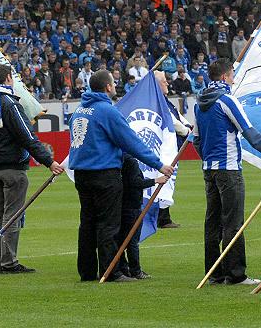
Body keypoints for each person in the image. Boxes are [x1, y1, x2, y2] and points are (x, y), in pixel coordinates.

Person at [193, 58, 261, 285]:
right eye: (231, 75)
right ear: (224, 77)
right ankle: (236, 274)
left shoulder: (198, 103)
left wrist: (209, 159)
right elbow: (251, 135)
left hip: (209, 170)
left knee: (212, 222)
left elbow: (196, 141)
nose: (234, 79)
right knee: (233, 222)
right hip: (228, 169)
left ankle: (213, 273)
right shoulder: (227, 101)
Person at [68, 69, 174, 282]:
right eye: (113, 83)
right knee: (109, 224)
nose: (115, 86)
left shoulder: (80, 110)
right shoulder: (107, 111)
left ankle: (87, 272)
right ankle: (111, 271)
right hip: (104, 174)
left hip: (82, 174)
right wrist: (158, 164)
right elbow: (131, 142)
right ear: (107, 87)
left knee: (87, 224)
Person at [0, 64, 64, 274]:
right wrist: (49, 161)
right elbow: (27, 136)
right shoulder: (9, 104)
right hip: (13, 168)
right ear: (7, 78)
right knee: (11, 215)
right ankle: (9, 262)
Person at [116, 154, 169, 279]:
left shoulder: (118, 159)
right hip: (132, 205)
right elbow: (135, 182)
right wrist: (155, 180)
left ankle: (123, 268)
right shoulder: (131, 162)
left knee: (121, 239)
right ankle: (135, 270)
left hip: (121, 204)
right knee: (132, 240)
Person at [154, 70, 191, 228]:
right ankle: (162, 217)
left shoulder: (162, 100)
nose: (167, 83)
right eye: (163, 81)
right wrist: (187, 131)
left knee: (167, 179)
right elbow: (172, 121)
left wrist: (187, 125)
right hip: (164, 147)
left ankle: (162, 215)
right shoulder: (158, 101)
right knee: (166, 178)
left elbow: (177, 116)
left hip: (170, 145)